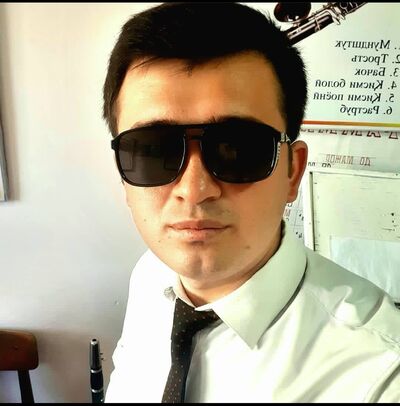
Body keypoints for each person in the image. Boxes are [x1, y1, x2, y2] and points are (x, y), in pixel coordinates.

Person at [102, 2, 400, 403]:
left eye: (237, 149)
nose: (195, 188)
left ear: (292, 171)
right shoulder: (151, 275)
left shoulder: (381, 374)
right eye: (153, 150)